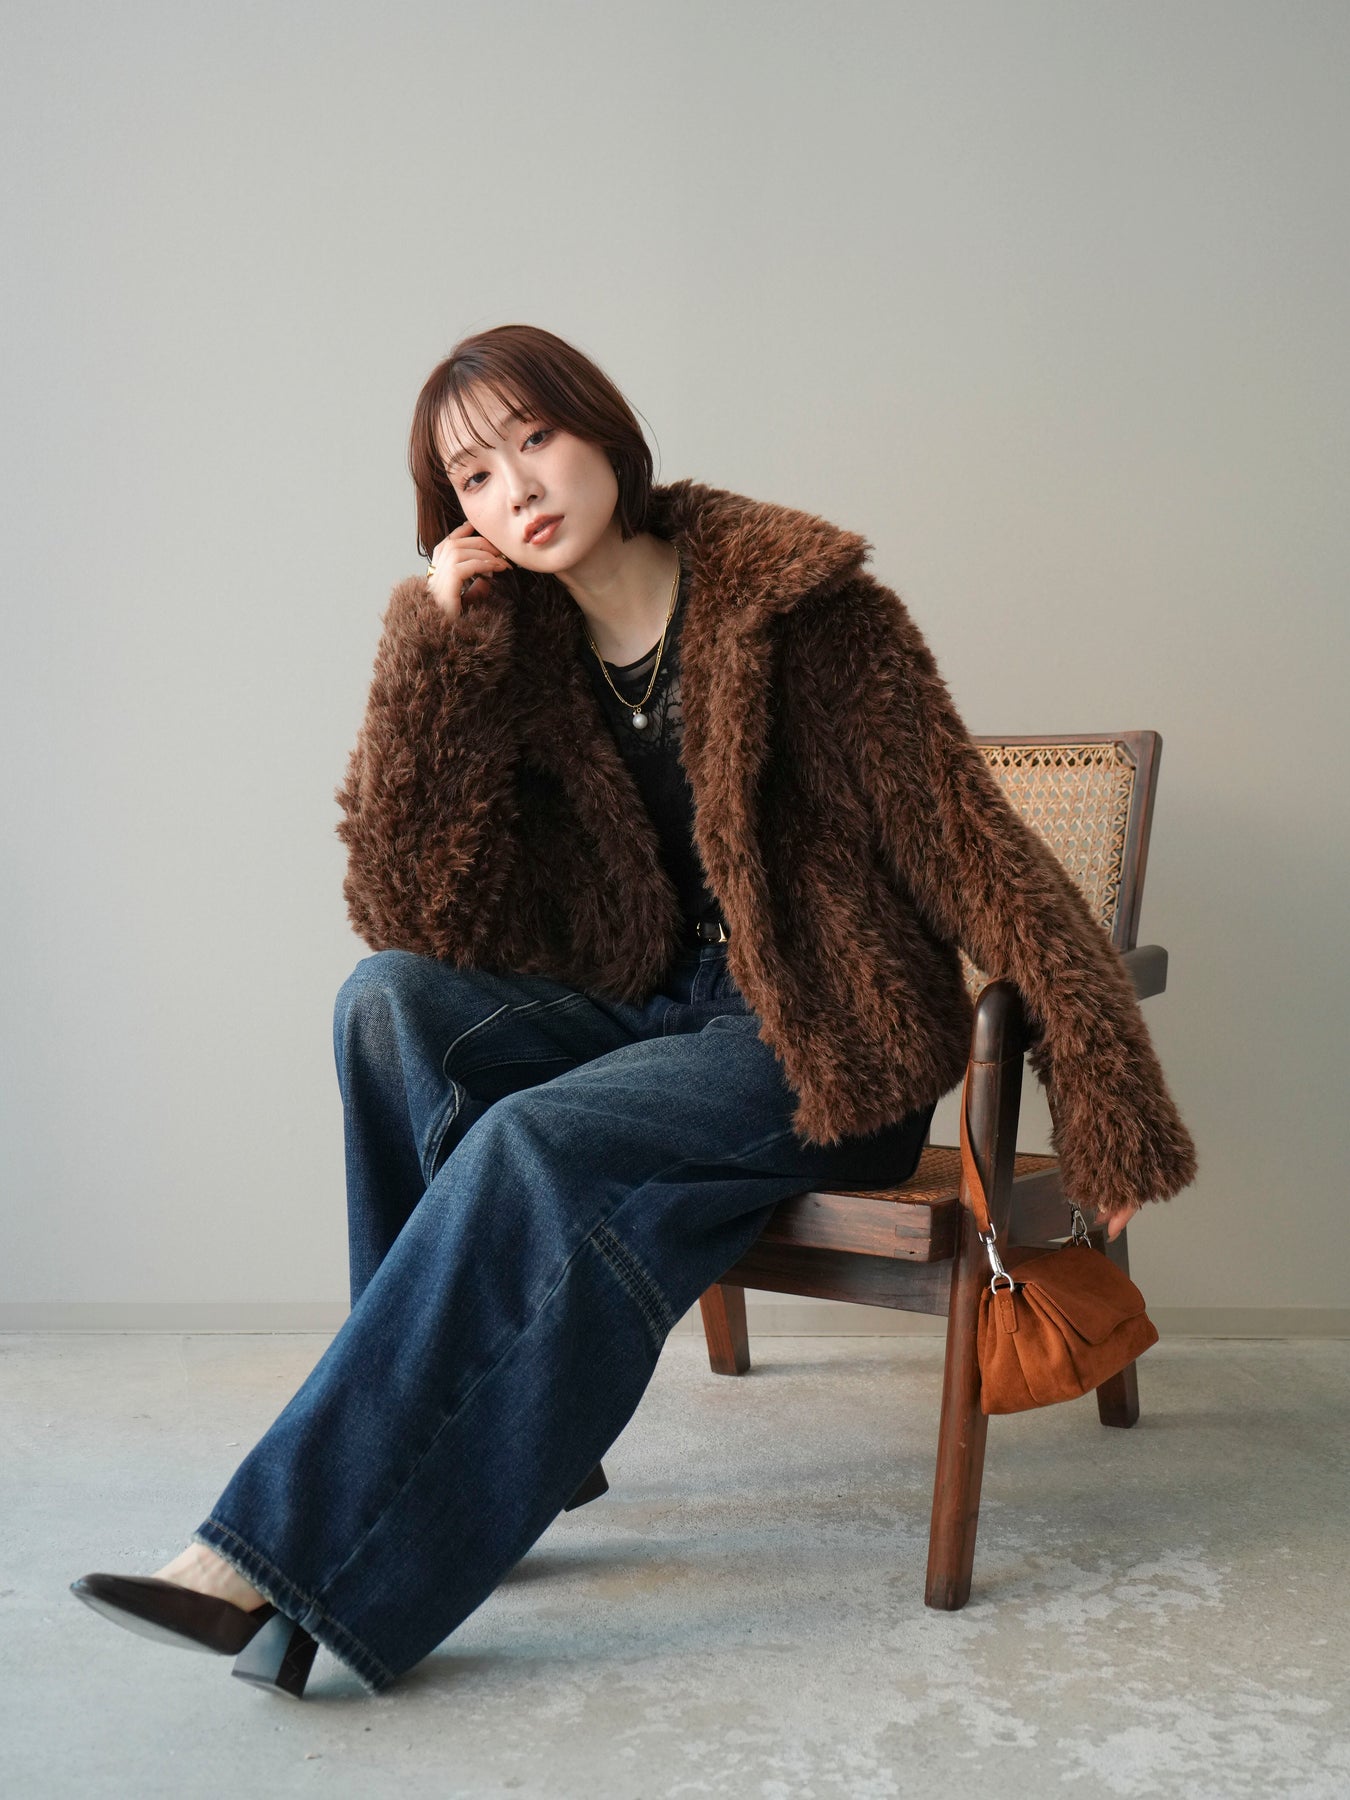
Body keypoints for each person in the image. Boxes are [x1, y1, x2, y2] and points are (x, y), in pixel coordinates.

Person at [69, 324, 1198, 1699]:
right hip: (650, 1016)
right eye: (473, 478)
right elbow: (408, 903)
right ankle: (464, 1458)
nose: (515, 488)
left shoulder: (805, 613)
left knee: (529, 1142)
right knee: (384, 1003)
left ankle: (252, 1561)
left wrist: (1105, 1090)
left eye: (533, 439)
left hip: (817, 1043)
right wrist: (433, 651)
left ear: (602, 430)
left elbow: (973, 845)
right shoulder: (517, 649)